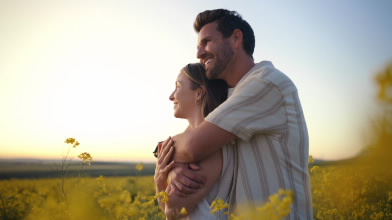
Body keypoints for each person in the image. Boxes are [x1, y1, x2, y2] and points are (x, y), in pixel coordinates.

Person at [166, 9, 313, 219]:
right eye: (198, 46)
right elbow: (190, 141)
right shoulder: (230, 95)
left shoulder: (266, 83)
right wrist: (173, 170)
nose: (199, 53)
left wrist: (164, 157)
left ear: (236, 38)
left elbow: (190, 147)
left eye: (207, 42)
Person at [154, 63, 235, 219]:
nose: (171, 96)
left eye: (177, 87)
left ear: (199, 93)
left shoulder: (207, 147)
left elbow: (172, 211)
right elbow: (166, 208)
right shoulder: (187, 144)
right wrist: (160, 180)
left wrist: (163, 178)